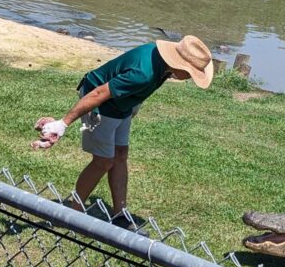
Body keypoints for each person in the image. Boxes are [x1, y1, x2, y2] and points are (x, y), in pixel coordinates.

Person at [37, 35, 214, 220]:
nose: (191, 78)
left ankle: (120, 214)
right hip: (101, 105)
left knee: (120, 155)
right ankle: (74, 213)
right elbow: (99, 93)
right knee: (103, 161)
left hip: (122, 105)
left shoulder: (160, 60)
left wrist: (133, 106)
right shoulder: (143, 74)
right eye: (191, 73)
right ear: (180, 64)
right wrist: (63, 123)